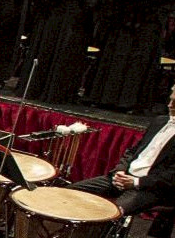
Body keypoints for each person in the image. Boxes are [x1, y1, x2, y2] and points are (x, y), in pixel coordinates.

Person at [69, 81, 175, 223]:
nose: (169, 105)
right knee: (70, 192)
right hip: (124, 177)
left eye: (174, 103)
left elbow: (170, 177)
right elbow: (132, 151)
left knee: (109, 213)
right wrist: (120, 170)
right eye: (170, 100)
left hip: (149, 188)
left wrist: (135, 182)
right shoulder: (159, 121)